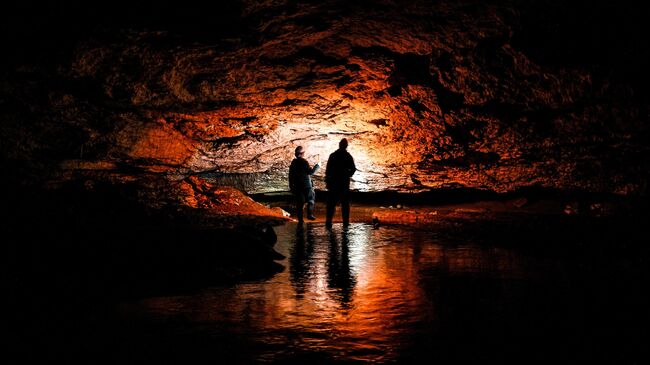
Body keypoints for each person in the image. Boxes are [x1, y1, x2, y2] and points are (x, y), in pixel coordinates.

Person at [325, 138, 356, 227]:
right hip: (343, 183)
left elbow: (328, 171)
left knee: (331, 204)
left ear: (339, 145)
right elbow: (353, 169)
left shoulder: (333, 155)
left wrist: (328, 182)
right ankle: (345, 223)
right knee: (345, 204)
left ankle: (328, 222)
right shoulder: (347, 156)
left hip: (334, 183)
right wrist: (347, 175)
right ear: (346, 146)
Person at [289, 146, 320, 223]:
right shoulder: (304, 162)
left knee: (300, 203)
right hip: (306, 186)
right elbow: (311, 172)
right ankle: (309, 215)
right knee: (311, 200)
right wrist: (318, 165)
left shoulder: (293, 163)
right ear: (302, 153)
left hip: (297, 186)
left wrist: (291, 186)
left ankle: (300, 220)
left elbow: (290, 175)